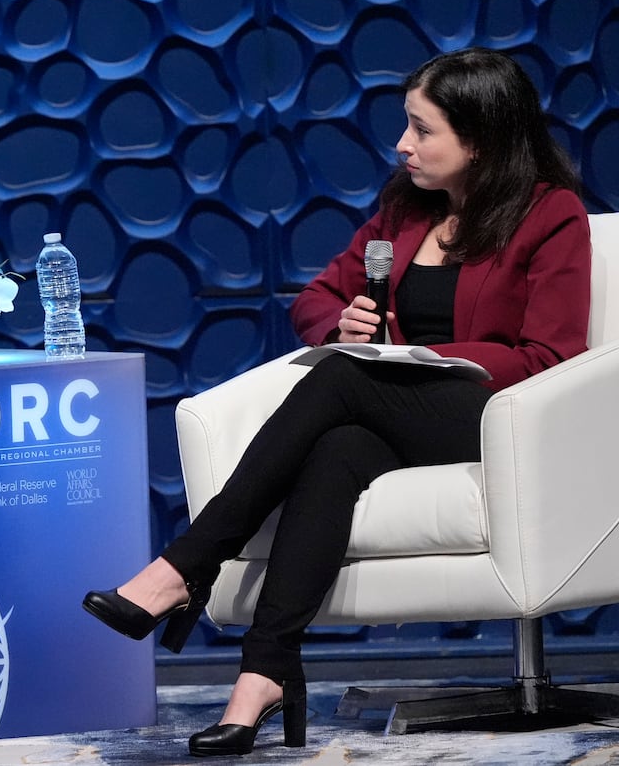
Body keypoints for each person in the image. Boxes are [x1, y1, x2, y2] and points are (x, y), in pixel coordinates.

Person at [82, 47, 591, 757]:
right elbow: (318, 298)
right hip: (399, 410)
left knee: (342, 380)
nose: (402, 144)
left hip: (500, 416)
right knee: (337, 445)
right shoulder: (405, 210)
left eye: (421, 129)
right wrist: (342, 326)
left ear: (478, 139)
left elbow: (552, 356)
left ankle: (183, 565)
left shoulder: (550, 215)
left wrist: (418, 359)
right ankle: (264, 670)